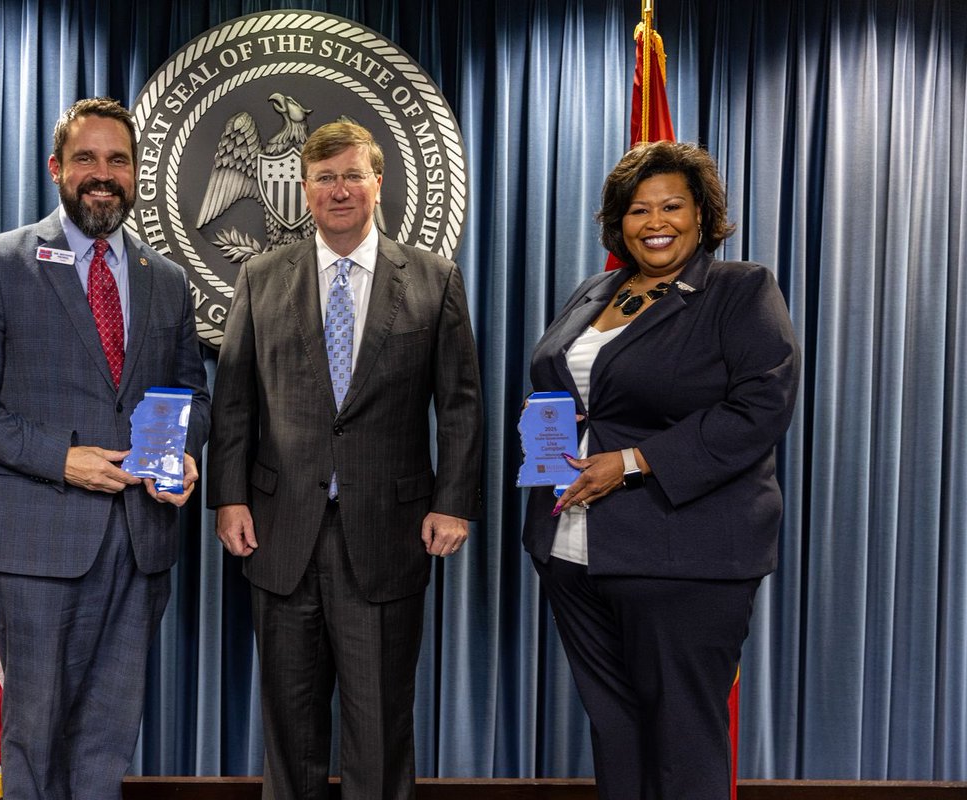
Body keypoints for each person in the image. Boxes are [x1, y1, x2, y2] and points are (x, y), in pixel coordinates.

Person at [0, 97, 210, 800]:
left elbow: (189, 395)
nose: (102, 174)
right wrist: (62, 459)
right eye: (86, 158)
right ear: (57, 168)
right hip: (37, 539)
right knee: (35, 731)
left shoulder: (166, 280)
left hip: (142, 540)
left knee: (108, 737)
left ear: (136, 174)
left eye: (117, 160)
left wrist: (181, 456)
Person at [207, 121, 483, 800]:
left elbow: (461, 405)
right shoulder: (261, 277)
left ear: (378, 184)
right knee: (289, 728)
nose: (339, 190)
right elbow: (235, 400)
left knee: (380, 725)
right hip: (278, 532)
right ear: (304, 188)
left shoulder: (432, 279)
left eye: (353, 175)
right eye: (325, 177)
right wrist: (230, 497)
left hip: (389, 536)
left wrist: (453, 502)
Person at [523, 140, 799, 799]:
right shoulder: (596, 290)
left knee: (682, 739)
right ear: (618, 222)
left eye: (673, 206)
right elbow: (560, 392)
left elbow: (762, 405)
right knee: (616, 731)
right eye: (639, 210)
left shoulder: (738, 290)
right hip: (574, 551)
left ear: (703, 215)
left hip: (685, 555)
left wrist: (634, 461)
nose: (656, 222)